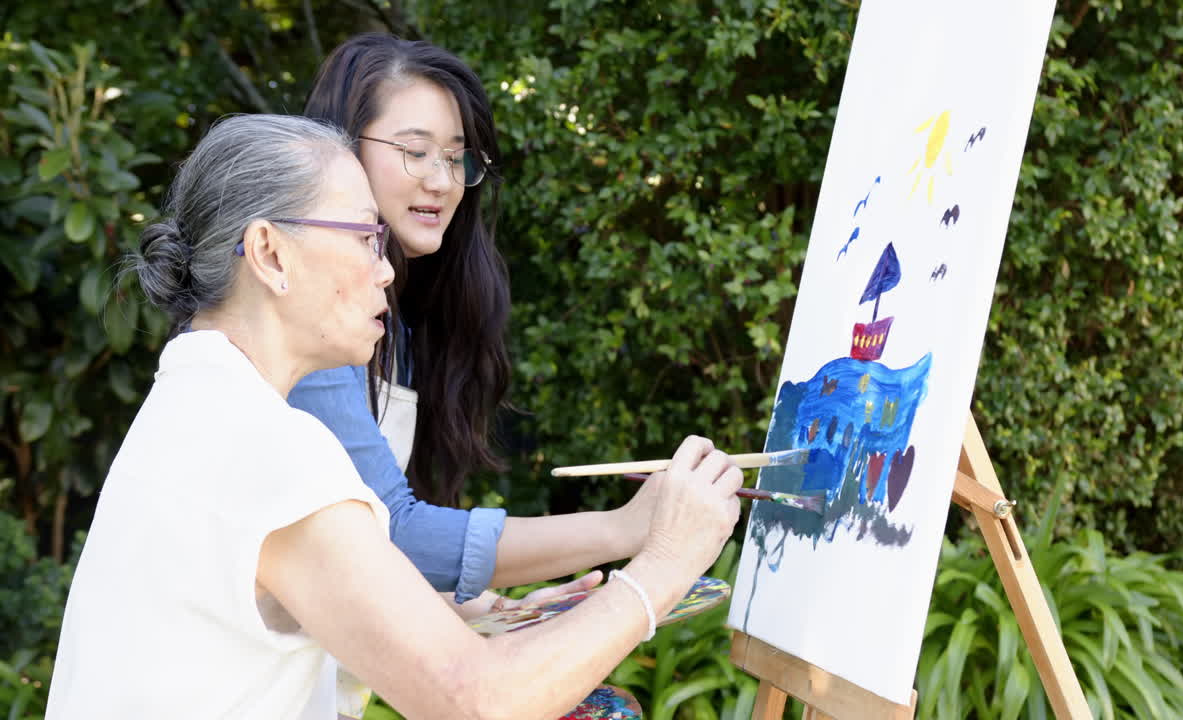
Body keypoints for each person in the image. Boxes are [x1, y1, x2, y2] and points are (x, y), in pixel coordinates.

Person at [45, 114, 743, 719]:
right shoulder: (266, 446)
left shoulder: (197, 407)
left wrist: (447, 618)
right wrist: (663, 568)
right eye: (362, 237)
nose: (385, 270)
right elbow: (480, 701)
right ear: (268, 253)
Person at [287, 33, 670, 613]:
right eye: (415, 151)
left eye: (454, 157)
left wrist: (485, 610)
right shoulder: (306, 314)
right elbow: (387, 530)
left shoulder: (392, 323)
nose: (442, 182)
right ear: (341, 151)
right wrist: (627, 530)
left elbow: (342, 553)